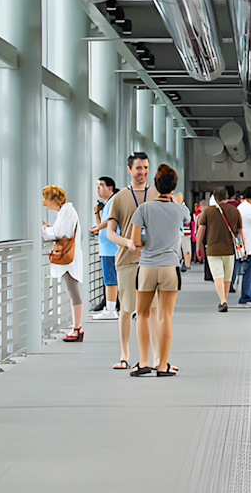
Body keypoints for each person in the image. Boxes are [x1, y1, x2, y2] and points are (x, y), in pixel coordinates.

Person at [128, 164, 191, 377]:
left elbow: (136, 241)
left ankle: (144, 362)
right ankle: (162, 365)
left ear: (155, 184)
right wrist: (178, 203)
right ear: (174, 187)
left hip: (146, 267)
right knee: (166, 316)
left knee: (143, 314)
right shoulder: (180, 209)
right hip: (170, 267)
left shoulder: (144, 209)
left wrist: (149, 241)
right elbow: (188, 220)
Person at [104, 151, 163, 370]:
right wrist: (126, 242)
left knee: (154, 309)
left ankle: (158, 358)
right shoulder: (119, 198)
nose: (143, 172)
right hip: (127, 259)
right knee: (127, 308)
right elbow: (110, 232)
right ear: (129, 169)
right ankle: (124, 354)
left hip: (152, 259)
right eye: (139, 168)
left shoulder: (157, 193)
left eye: (146, 168)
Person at [41, 185, 85, 341]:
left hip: (69, 259)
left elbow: (60, 232)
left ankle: (76, 328)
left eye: (45, 198)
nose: (43, 201)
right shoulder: (65, 211)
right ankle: (76, 327)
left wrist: (44, 230)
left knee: (73, 292)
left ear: (54, 199)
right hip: (71, 258)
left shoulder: (67, 211)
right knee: (72, 291)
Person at [195, 188, 242, 312]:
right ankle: (223, 299)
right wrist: (244, 247)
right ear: (227, 197)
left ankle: (223, 300)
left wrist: (198, 247)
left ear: (214, 197)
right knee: (227, 277)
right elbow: (240, 231)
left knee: (218, 276)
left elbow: (200, 231)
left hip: (213, 250)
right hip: (229, 250)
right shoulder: (234, 210)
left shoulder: (208, 212)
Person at [90, 176, 119, 321]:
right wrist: (97, 215)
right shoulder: (108, 203)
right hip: (107, 247)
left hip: (111, 247)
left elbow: (110, 220)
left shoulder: (113, 201)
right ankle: (110, 307)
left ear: (110, 187)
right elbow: (103, 224)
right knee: (109, 280)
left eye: (101, 185)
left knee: (111, 280)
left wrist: (97, 227)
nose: (98, 188)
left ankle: (111, 309)